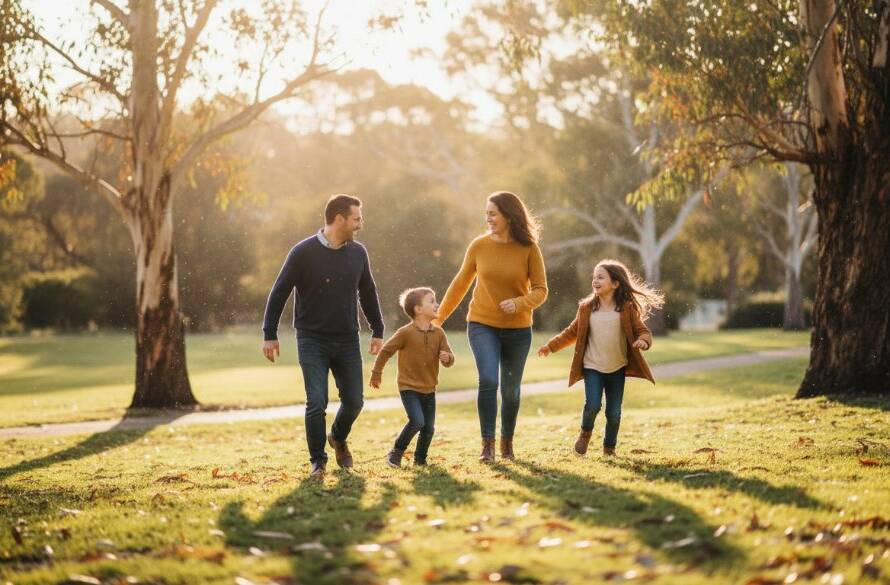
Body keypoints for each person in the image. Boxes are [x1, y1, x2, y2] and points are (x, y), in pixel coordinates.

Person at [261, 194, 384, 479]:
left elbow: (368, 292)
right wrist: (270, 333)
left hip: (347, 338)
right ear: (339, 219)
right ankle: (318, 461)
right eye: (356, 218)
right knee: (316, 401)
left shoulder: (358, 253)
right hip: (312, 338)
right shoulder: (302, 252)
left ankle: (338, 436)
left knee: (355, 401)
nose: (360, 223)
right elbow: (280, 291)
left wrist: (377, 329)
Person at [434, 191, 548, 463]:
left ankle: (507, 442)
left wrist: (520, 303)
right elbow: (460, 284)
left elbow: (542, 290)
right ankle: (488, 445)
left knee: (510, 390)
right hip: (482, 323)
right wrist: (438, 319)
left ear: (509, 215)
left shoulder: (529, 248)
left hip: (518, 329)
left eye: (492, 213)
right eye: (486, 213)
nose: (488, 218)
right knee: (488, 380)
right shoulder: (479, 246)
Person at [538, 259, 663, 456]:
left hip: (617, 368)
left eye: (600, 277)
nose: (595, 280)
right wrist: (550, 346)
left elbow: (643, 331)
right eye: (594, 277)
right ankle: (584, 434)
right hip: (592, 366)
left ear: (615, 283)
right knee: (592, 405)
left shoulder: (627, 308)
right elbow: (571, 332)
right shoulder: (587, 308)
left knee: (613, 414)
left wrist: (643, 342)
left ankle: (609, 448)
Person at [370, 287, 455, 468]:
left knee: (428, 429)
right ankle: (396, 452)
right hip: (408, 387)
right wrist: (376, 373)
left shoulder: (439, 333)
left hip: (429, 388)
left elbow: (449, 356)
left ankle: (420, 459)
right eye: (431, 301)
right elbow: (386, 351)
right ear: (418, 309)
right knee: (417, 421)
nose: (436, 304)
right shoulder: (405, 332)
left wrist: (447, 358)